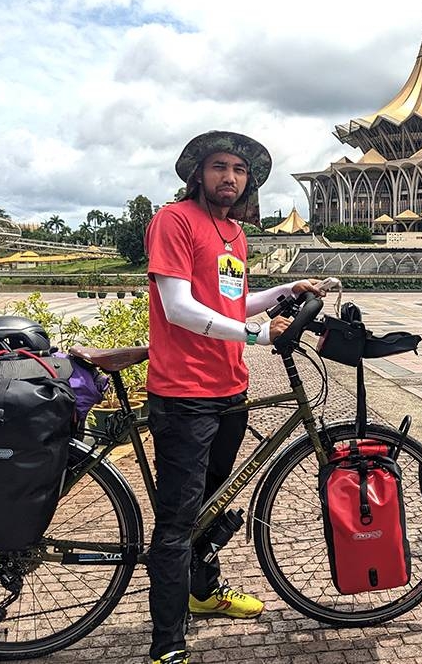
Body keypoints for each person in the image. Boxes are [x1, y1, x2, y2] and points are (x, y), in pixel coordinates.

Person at [144, 130, 326, 664]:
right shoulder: (174, 221)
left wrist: (285, 293)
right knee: (178, 521)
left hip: (229, 388)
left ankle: (201, 594)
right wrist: (259, 335)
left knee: (207, 506)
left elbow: (233, 303)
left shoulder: (232, 232)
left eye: (239, 171)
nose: (229, 177)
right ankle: (166, 644)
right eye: (219, 166)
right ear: (197, 172)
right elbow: (178, 308)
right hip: (184, 393)